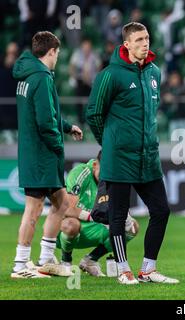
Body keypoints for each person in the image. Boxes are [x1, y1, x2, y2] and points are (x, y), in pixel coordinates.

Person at [86, 22, 178, 285]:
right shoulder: (110, 74)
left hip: (148, 156)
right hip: (119, 157)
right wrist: (110, 142)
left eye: (147, 37)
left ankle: (148, 269)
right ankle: (124, 270)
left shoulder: (155, 72)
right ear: (126, 44)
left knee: (161, 210)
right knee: (117, 215)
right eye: (138, 39)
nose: (144, 43)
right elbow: (93, 113)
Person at [11, 31, 83, 278]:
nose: (58, 57)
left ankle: (45, 260)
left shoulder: (27, 75)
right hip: (42, 153)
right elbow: (44, 121)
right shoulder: (42, 77)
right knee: (34, 208)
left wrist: (66, 126)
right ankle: (20, 265)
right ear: (52, 51)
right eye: (58, 53)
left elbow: (47, 114)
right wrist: (58, 144)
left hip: (34, 152)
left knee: (61, 202)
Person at [56, 150, 139, 277]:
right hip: (76, 228)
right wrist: (95, 217)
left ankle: (91, 259)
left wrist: (124, 219)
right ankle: (66, 261)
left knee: (133, 227)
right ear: (95, 165)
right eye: (104, 172)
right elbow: (68, 209)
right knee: (70, 224)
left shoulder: (116, 179)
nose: (107, 178)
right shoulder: (81, 173)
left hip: (99, 229)